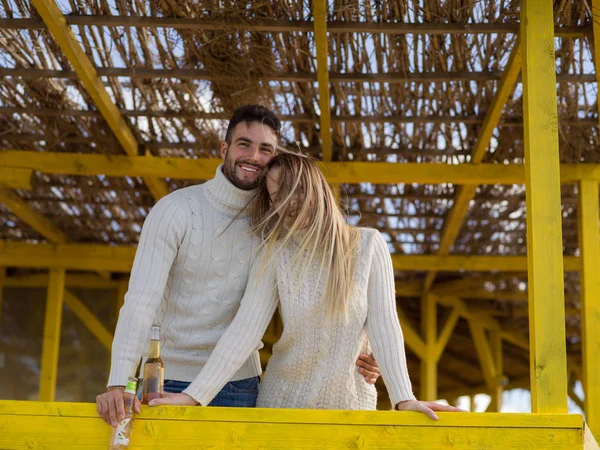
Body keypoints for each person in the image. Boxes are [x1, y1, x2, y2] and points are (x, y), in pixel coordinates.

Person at [96, 105, 381, 427]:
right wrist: (118, 382)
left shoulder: (280, 225)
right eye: (244, 144)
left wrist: (362, 353)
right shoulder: (175, 210)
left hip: (241, 386)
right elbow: (140, 301)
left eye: (265, 149)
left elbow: (326, 299)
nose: (254, 156)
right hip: (169, 378)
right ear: (224, 149)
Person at [150, 152, 464, 418]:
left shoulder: (367, 245)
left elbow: (385, 325)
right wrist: (195, 396)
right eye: (277, 196)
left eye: (294, 189)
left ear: (315, 186)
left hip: (350, 410)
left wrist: (404, 397)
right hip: (281, 408)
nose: (289, 202)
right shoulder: (275, 252)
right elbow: (244, 331)